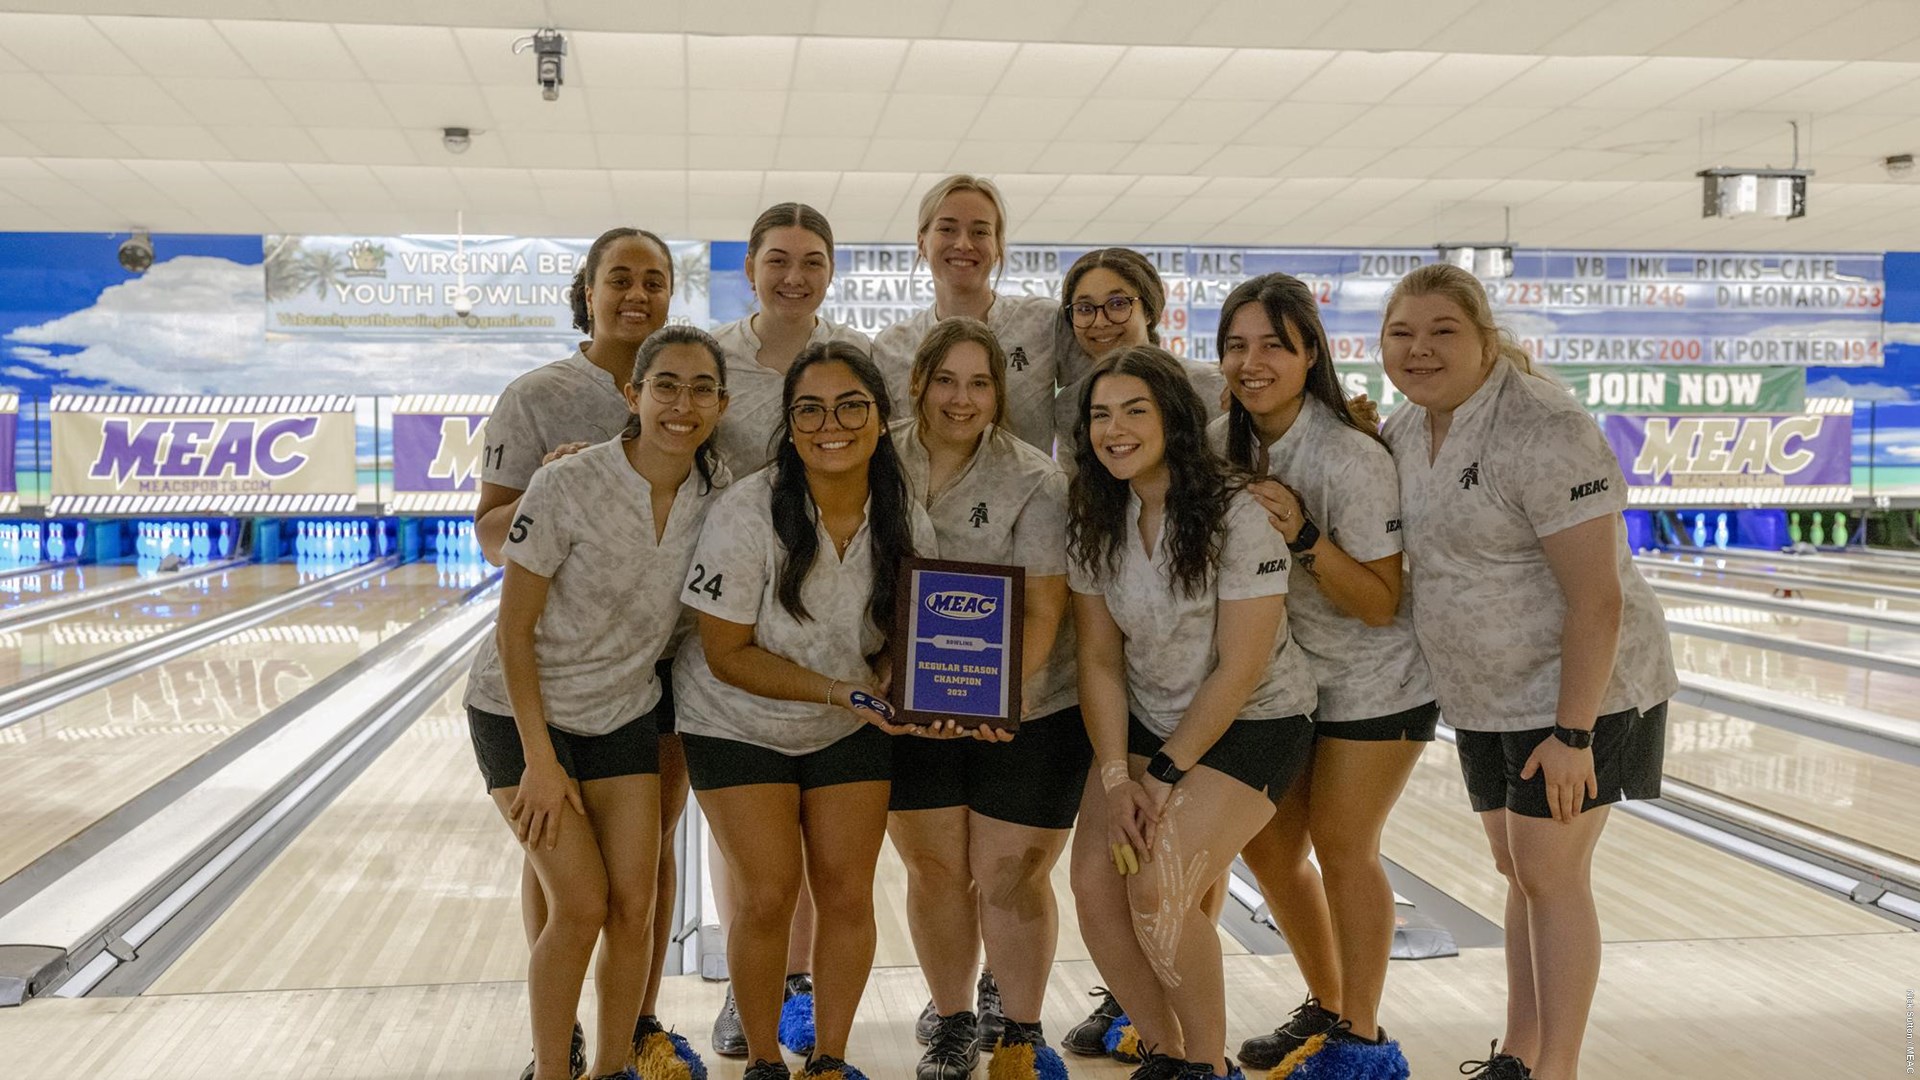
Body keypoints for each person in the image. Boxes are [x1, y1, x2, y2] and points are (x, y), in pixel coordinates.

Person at [1378, 264, 1677, 1080]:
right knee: (1519, 870)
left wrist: (1573, 733)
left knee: (1549, 872)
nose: (1420, 349)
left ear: (1484, 338)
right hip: (1487, 698)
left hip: (1583, 691)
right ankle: (1520, 1050)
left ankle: (1559, 1069)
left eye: (1443, 331)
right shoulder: (1408, 428)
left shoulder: (1545, 425)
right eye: (1401, 333)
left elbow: (1600, 601)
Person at [465, 325, 731, 1080]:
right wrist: (540, 762)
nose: (683, 403)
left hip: (622, 712)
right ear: (633, 395)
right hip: (520, 714)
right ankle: (555, 1069)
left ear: (721, 402)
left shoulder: (717, 500)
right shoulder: (565, 485)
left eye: (701, 388)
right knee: (580, 906)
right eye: (666, 386)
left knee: (634, 909)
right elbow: (513, 633)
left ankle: (615, 1067)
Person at [673, 341, 937, 1080]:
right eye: (810, 409)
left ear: (882, 420)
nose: (833, 423)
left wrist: (897, 678)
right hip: (734, 720)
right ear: (789, 426)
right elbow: (726, 652)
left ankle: (829, 1057)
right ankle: (762, 1059)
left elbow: (912, 629)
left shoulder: (904, 515)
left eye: (852, 405)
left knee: (847, 893)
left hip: (847, 723)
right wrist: (842, 690)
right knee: (766, 895)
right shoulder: (747, 510)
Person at [1065, 346, 1317, 1080]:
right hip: (1146, 717)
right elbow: (1100, 661)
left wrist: (1166, 774)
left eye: (1134, 411)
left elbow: (1241, 668)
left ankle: (1209, 1065)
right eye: (1100, 414)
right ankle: (1166, 1051)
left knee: (1162, 885)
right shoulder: (1096, 512)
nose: (1114, 429)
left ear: (1174, 419)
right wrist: (1117, 779)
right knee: (1093, 882)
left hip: (1255, 719)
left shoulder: (1239, 511)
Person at [1209, 274, 1433, 1080]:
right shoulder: (1215, 445)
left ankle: (1362, 1036)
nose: (1252, 360)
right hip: (1284, 687)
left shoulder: (1349, 454)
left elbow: (1379, 602)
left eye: (1274, 343)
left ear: (1311, 352)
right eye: (1237, 344)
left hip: (1376, 685)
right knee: (1269, 851)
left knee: (1343, 845)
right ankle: (1328, 1001)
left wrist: (1302, 530)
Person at [885, 317, 1084, 1080]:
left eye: (979, 382)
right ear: (918, 383)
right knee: (935, 870)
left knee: (1009, 874)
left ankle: (1023, 1038)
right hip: (911, 705)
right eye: (945, 380)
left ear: (1000, 393)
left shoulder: (1036, 478)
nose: (961, 399)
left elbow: (1044, 608)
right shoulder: (876, 460)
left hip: (1027, 707)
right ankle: (952, 1018)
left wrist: (999, 701)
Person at [704, 202, 873, 1057]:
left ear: (831, 270)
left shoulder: (849, 358)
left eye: (811, 260)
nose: (793, 274)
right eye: (778, 258)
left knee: (835, 878)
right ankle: (755, 998)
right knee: (758, 871)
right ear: (750, 266)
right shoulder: (717, 357)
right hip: (730, 604)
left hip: (830, 622)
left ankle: (797, 994)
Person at [872, 174, 1066, 459]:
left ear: (999, 246)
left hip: (1032, 501)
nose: (963, 244)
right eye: (947, 229)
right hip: (921, 504)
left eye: (980, 232)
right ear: (922, 243)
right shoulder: (892, 347)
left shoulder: (1043, 323)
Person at [1053, 248, 1227, 467]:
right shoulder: (1071, 406)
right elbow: (1076, 489)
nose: (1100, 322)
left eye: (1118, 304)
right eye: (1085, 308)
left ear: (1148, 310)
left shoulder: (1209, 386)